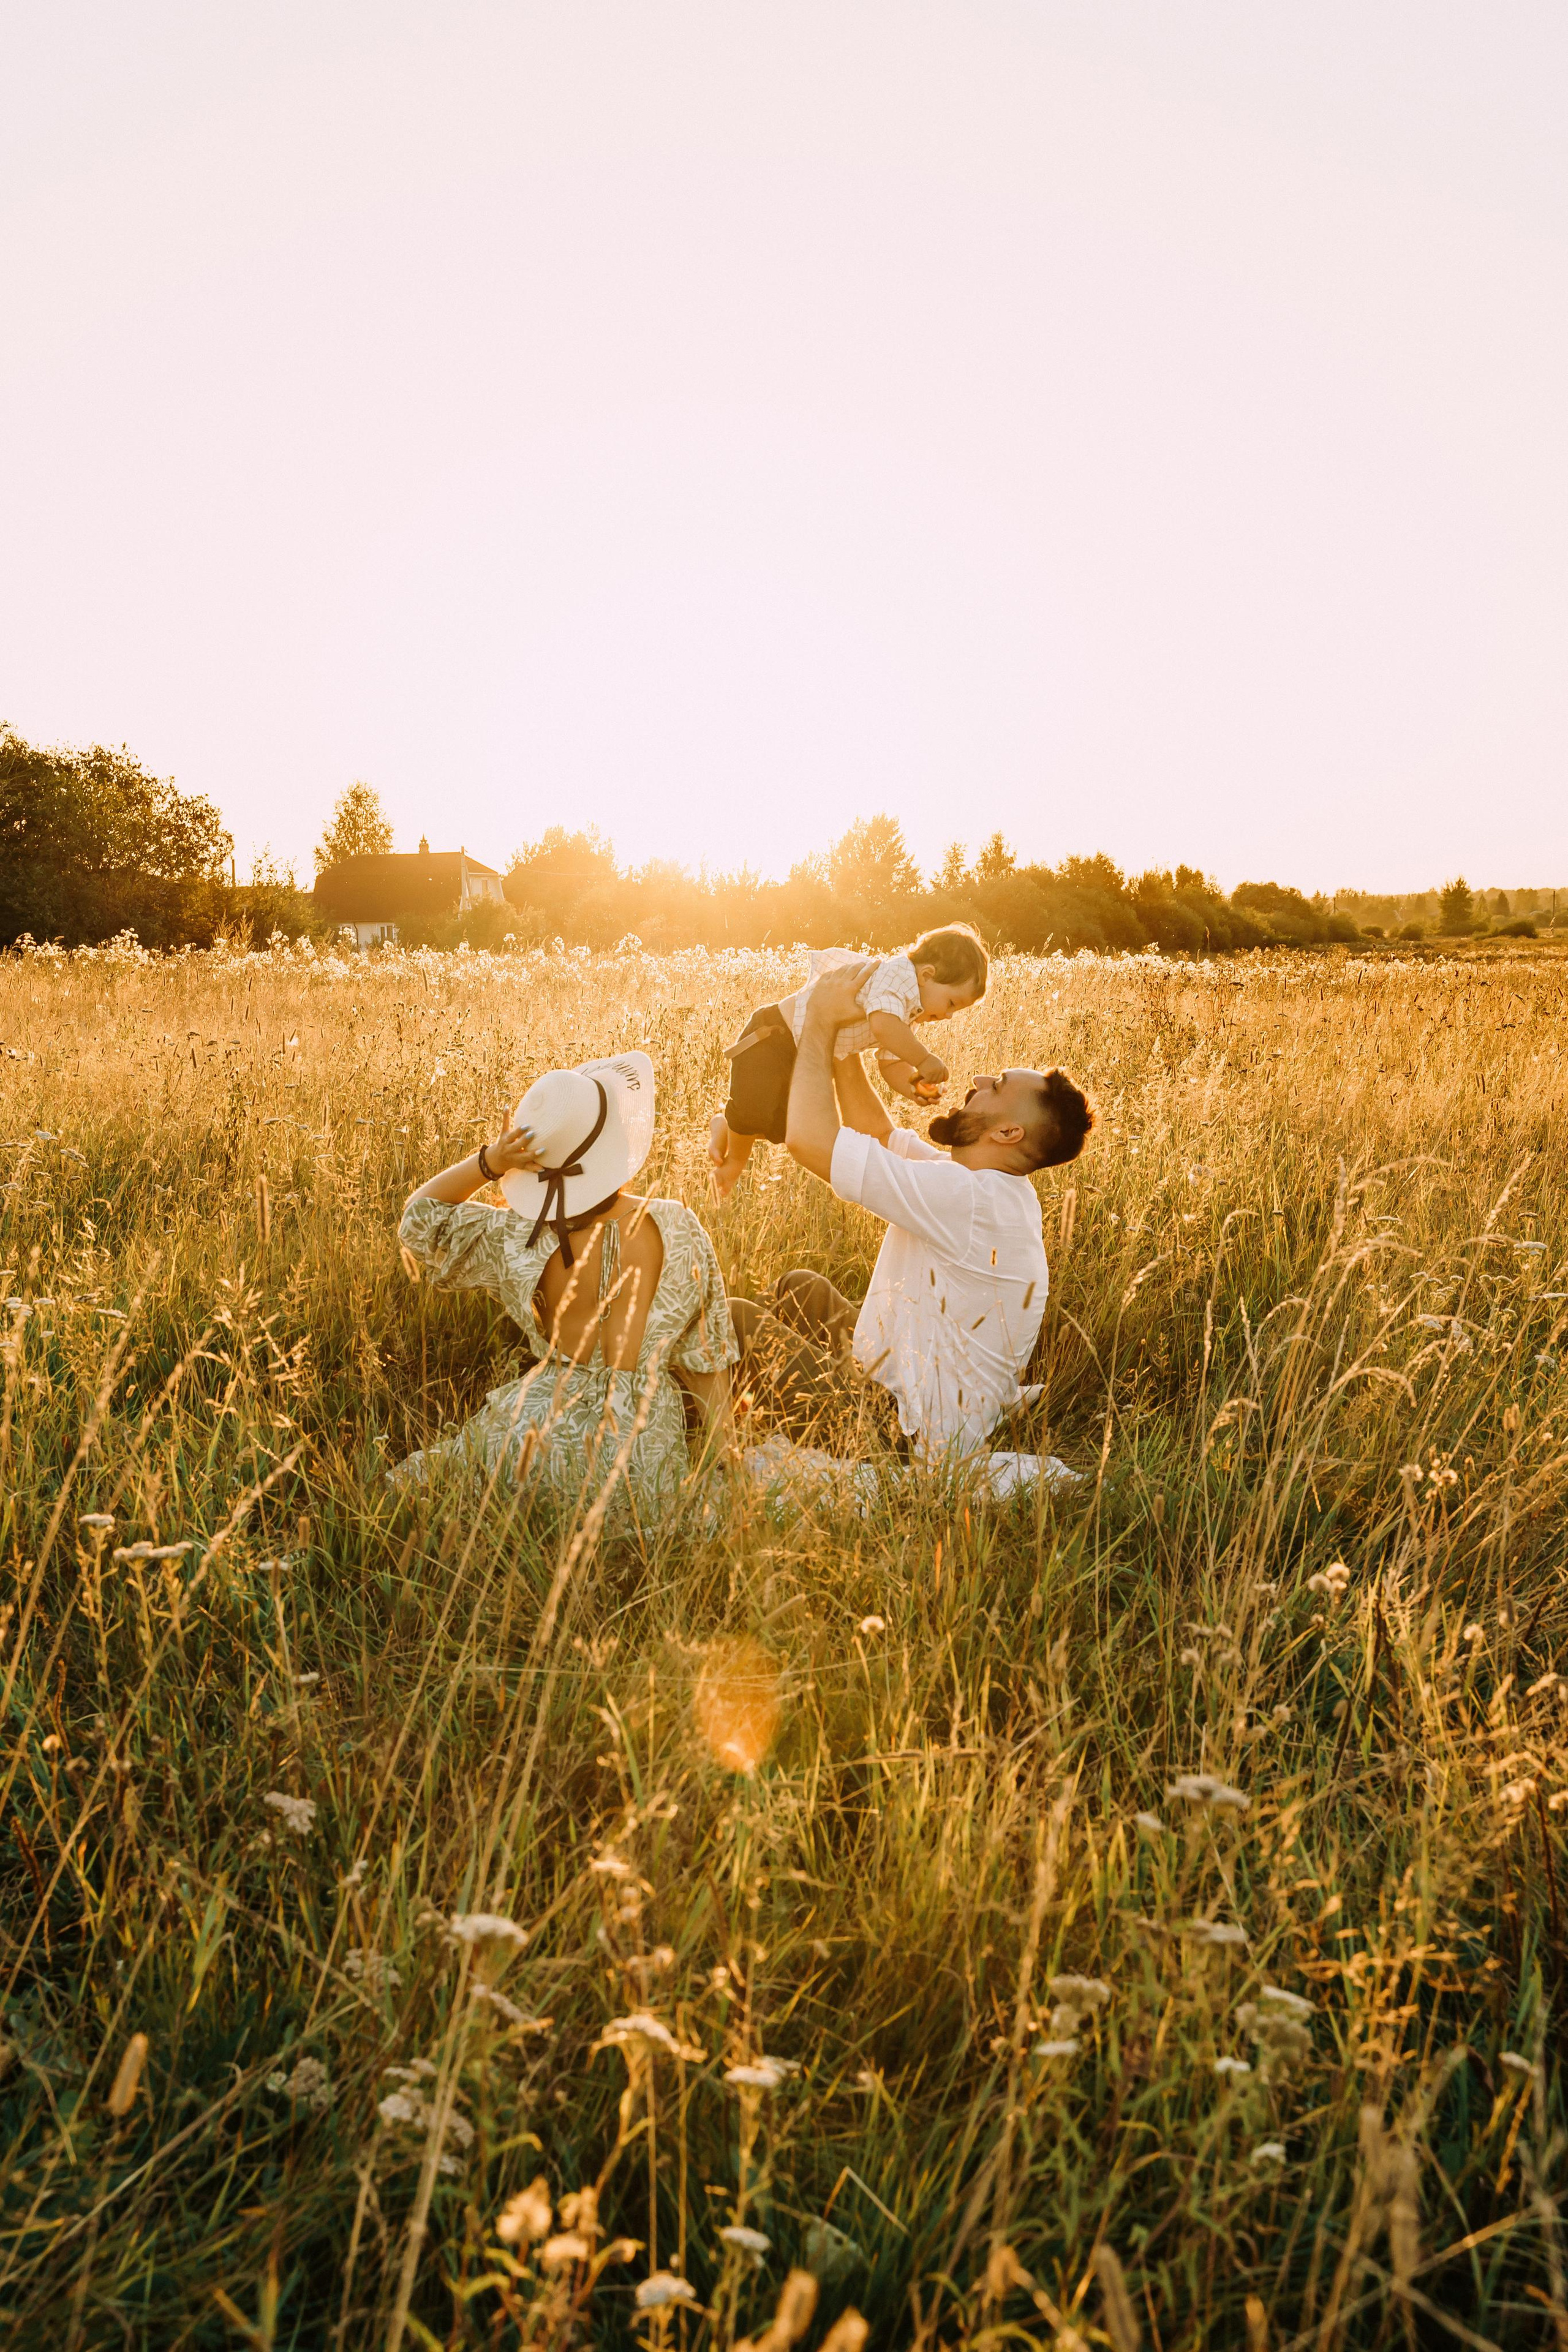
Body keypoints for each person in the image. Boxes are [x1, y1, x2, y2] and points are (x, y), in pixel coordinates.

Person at [737, 960, 1093, 1461]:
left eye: (996, 1086)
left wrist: (817, 1020)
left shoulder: (969, 1199)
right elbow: (880, 1136)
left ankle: (683, 1428)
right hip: (902, 1387)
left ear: (1008, 1133)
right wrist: (843, 1045)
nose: (979, 1079)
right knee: (800, 1289)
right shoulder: (989, 1187)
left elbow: (809, 1142)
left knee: (735, 1321)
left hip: (903, 1433)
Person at [394, 1053, 737, 1515]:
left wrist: (491, 1162)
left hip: (533, 1436)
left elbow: (418, 1220)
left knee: (432, 1492)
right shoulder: (678, 1226)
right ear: (616, 1146)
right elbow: (708, 1359)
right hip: (639, 1454)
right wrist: (726, 1461)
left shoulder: (516, 1235)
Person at [708, 925, 989, 1199]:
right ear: (927, 975)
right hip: (776, 1036)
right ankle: (734, 1162)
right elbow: (883, 1025)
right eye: (951, 1004)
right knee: (754, 1109)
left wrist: (914, 1086)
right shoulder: (897, 977)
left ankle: (726, 1125)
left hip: (810, 1053)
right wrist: (924, 1059)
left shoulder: (908, 1014)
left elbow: (890, 1064)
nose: (949, 1016)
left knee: (787, 1125)